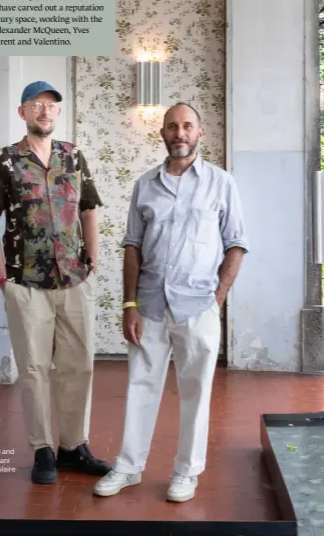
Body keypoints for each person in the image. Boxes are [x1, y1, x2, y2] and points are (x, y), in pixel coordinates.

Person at [93, 101, 249, 503]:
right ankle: (128, 468)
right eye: (171, 127)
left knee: (196, 389)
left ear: (200, 133)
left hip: (199, 305)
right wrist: (128, 305)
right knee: (141, 385)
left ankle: (186, 472)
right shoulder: (146, 184)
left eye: (187, 126)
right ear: (161, 133)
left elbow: (236, 245)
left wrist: (217, 297)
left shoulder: (221, 183)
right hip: (149, 304)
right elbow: (131, 246)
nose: (179, 133)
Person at [0, 80, 111, 485]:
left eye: (52, 106)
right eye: (36, 105)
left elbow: (89, 208)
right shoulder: (4, 160)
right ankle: (42, 450)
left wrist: (93, 259)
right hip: (25, 281)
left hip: (73, 279)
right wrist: (1, 274)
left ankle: (73, 447)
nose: (45, 111)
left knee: (79, 365)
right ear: (23, 112)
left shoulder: (73, 157)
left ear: (58, 113)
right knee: (34, 368)